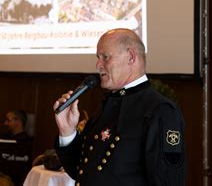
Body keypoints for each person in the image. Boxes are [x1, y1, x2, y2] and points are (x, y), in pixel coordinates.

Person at [53, 28, 186, 185]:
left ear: (130, 57)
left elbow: (167, 181)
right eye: (98, 58)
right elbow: (82, 171)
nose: (98, 65)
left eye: (105, 57)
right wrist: (67, 131)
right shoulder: (109, 105)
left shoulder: (161, 110)